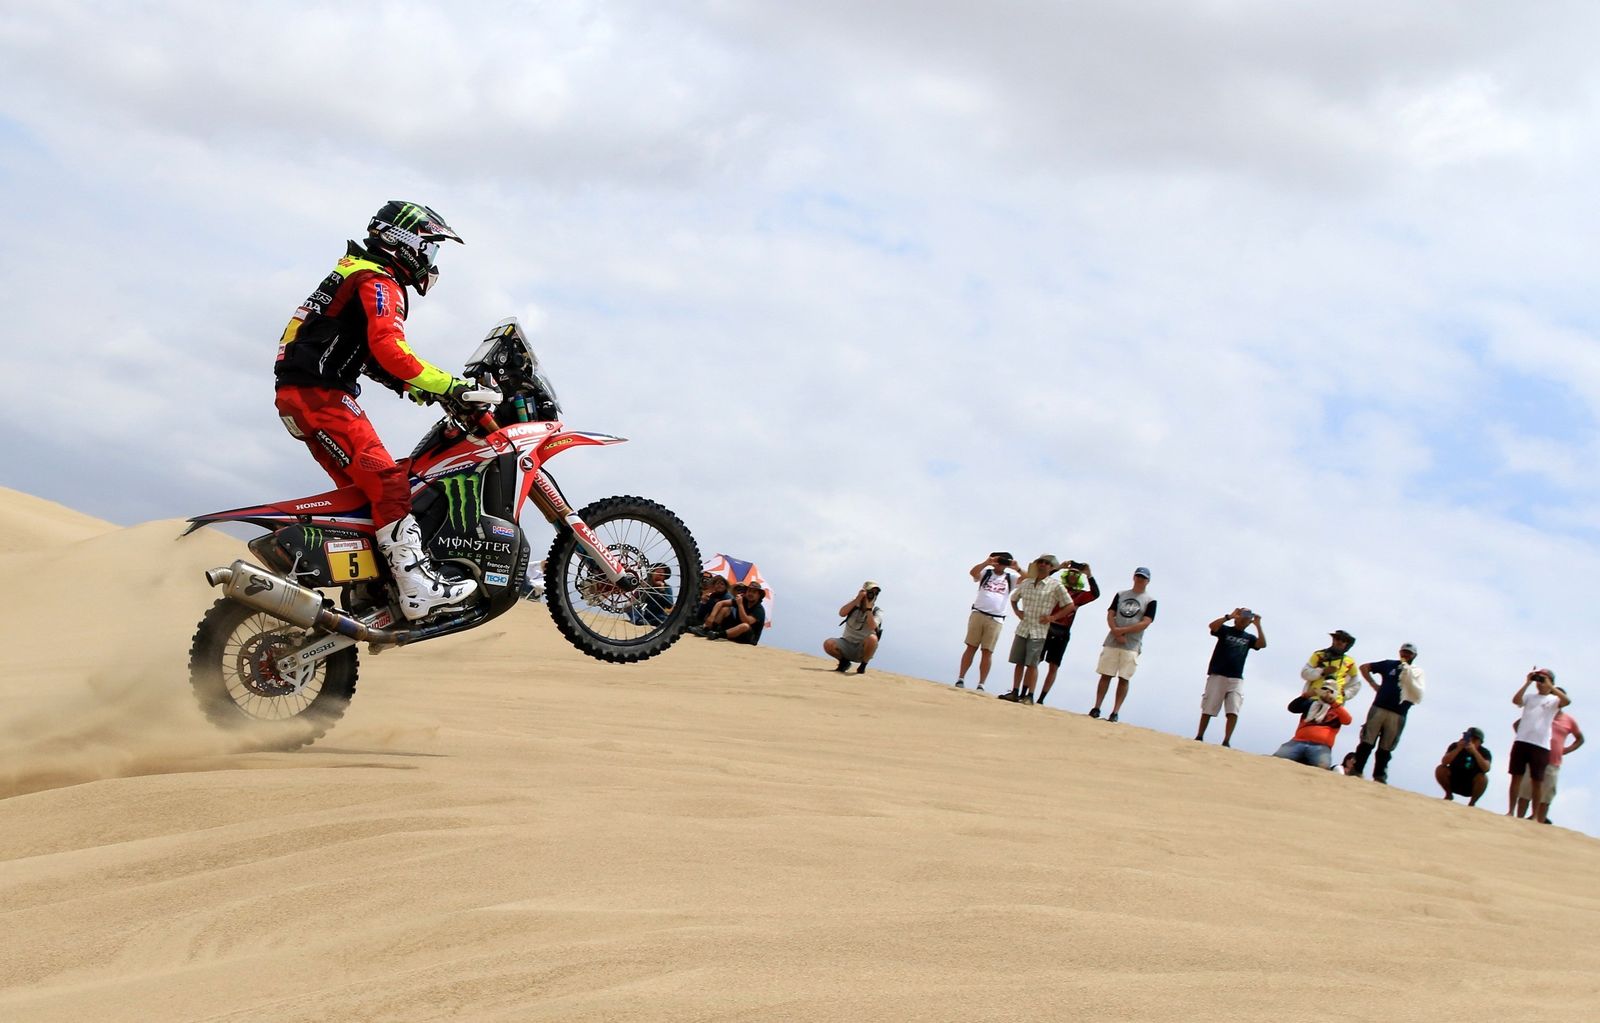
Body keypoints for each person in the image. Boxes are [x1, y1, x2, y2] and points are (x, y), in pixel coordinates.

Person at [274, 201, 502, 621]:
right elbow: (391, 350)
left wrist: (414, 389)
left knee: (364, 500)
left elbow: (360, 351)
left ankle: (370, 590)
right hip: (321, 396)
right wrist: (453, 384)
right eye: (430, 249)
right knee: (389, 484)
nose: (431, 262)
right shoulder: (377, 280)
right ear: (406, 242)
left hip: (304, 393)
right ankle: (417, 587)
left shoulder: (356, 271)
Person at [1348, 642, 1426, 783]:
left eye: (1408, 653)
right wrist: (1373, 684)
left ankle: (1379, 776)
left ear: (1414, 655)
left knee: (1386, 747)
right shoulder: (1389, 664)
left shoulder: (1416, 672)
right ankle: (1357, 770)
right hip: (1379, 707)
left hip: (1398, 712)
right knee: (1367, 741)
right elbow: (1365, 667)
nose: (1405, 655)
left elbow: (1418, 691)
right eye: (1403, 652)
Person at [999, 556, 1071, 704]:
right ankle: (1015, 691)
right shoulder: (1026, 583)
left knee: (1032, 663)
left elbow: (1069, 605)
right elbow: (1014, 598)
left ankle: (1030, 695)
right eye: (1041, 562)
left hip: (1039, 630)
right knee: (1018, 661)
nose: (1043, 565)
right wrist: (1017, 612)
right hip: (1024, 628)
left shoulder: (1055, 585)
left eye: (1047, 563)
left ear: (1052, 567)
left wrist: (1053, 617)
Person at [1089, 567, 1157, 722]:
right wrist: (1115, 631)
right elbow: (1111, 613)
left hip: (1131, 644)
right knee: (1105, 674)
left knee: (1124, 677)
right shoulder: (1121, 594)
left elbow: (1146, 622)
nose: (1140, 579)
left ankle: (1115, 711)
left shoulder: (1150, 600)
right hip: (1113, 640)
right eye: (1138, 576)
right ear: (1133, 577)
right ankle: (1096, 707)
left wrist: (1123, 631)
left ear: (1148, 580)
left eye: (1143, 577)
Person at [1195, 608, 1267, 747]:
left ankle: (1226, 740)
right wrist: (1229, 616)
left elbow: (1262, 644)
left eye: (1247, 617)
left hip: (1236, 677)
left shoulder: (1249, 637)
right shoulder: (1225, 630)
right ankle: (1200, 735)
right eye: (1242, 615)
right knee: (1209, 706)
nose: (1244, 619)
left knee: (1233, 707)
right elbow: (1212, 626)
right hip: (1218, 674)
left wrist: (1258, 625)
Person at [1507, 668, 1571, 823]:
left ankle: (1535, 815)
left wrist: (1551, 686)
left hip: (1540, 745)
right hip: (1522, 741)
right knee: (1516, 777)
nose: (1540, 682)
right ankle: (1511, 811)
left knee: (1538, 781)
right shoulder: (1530, 697)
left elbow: (1567, 701)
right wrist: (1527, 682)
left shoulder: (1553, 700)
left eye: (1543, 679)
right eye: (1539, 679)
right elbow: (1516, 701)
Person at [1036, 561, 1100, 706]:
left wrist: (1089, 575)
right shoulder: (1058, 588)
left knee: (1054, 665)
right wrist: (1058, 568)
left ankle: (1041, 698)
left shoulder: (1080, 595)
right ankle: (1028, 692)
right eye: (1071, 573)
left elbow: (1095, 594)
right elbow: (1042, 579)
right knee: (1036, 660)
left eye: (1076, 574)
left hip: (1063, 631)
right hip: (1048, 626)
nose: (1073, 576)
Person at [1515, 688, 1582, 824]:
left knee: (1545, 797)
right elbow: (1517, 724)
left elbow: (1579, 738)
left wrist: (1566, 750)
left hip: (1553, 762)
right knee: (1525, 792)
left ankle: (1539, 824)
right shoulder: (1540, 714)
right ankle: (1518, 821)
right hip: (1534, 756)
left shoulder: (1569, 720)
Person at [957, 553, 1020, 692]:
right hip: (978, 613)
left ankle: (981, 683)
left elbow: (1029, 579)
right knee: (971, 646)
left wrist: (1017, 568)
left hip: (996, 618)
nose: (1000, 563)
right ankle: (961, 678)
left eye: (1003, 561)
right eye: (998, 560)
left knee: (987, 651)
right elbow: (973, 573)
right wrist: (987, 562)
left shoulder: (1011, 578)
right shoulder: (986, 572)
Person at [1272, 682, 1352, 768]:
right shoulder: (1311, 703)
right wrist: (1306, 695)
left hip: (1320, 746)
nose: (1326, 693)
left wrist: (1333, 703)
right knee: (1277, 758)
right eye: (1324, 689)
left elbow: (1348, 720)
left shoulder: (1337, 710)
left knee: (1323, 766)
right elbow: (1292, 708)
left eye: (1330, 691)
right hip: (1298, 742)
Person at [825, 581, 883, 674]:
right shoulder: (854, 604)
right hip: (847, 644)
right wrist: (857, 599)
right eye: (870, 592)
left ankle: (862, 667)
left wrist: (868, 609)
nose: (873, 595)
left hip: (863, 649)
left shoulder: (877, 611)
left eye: (876, 593)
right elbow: (842, 613)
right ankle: (844, 663)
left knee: (872, 638)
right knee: (828, 644)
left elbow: (873, 626)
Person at [1300, 630, 1359, 705]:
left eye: (1343, 641)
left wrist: (1346, 694)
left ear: (1346, 644)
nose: (1340, 642)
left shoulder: (1349, 661)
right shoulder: (1319, 655)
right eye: (1337, 639)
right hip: (1315, 698)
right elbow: (1304, 673)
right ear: (1333, 640)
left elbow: (1356, 682)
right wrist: (1322, 672)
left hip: (1335, 701)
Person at [1436, 728, 1492, 806]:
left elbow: (1486, 768)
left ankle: (1472, 803)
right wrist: (1458, 748)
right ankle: (1448, 795)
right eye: (1468, 737)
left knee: (1483, 778)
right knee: (1440, 769)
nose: (1470, 740)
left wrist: (1475, 752)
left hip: (1470, 785)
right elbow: (1444, 762)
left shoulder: (1484, 752)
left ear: (1480, 742)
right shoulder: (1455, 746)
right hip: (1454, 779)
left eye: (1474, 739)